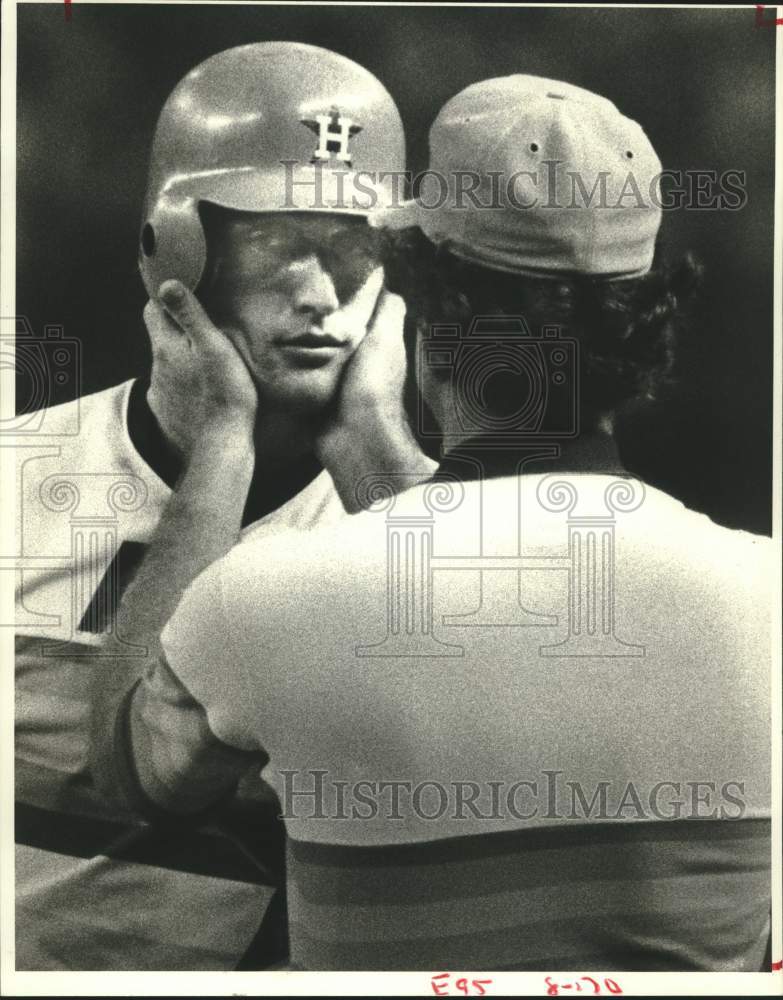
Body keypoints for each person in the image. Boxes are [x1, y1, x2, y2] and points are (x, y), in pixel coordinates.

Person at [101, 76, 771, 970]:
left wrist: (223, 445)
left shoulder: (268, 602)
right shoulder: (763, 592)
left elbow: (131, 768)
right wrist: (371, 444)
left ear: (424, 313)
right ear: (645, 321)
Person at [14, 42, 434, 970]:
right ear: (173, 248)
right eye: (278, 246)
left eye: (352, 249)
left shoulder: (413, 522)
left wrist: (374, 439)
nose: (320, 294)